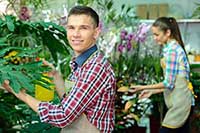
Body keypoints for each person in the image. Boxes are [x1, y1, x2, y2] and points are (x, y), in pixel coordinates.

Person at [2, 5, 116, 133]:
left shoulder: (96, 68)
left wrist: (21, 94)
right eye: (71, 28)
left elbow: (63, 115)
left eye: (83, 28)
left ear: (96, 32)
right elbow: (73, 104)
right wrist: (55, 76)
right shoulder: (83, 64)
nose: (76, 34)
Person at [130, 17, 194, 133]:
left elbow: (168, 83)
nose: (155, 38)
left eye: (157, 35)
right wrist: (152, 92)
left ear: (168, 33)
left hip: (180, 104)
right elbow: (172, 83)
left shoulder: (172, 51)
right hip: (182, 101)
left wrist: (142, 87)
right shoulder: (172, 48)